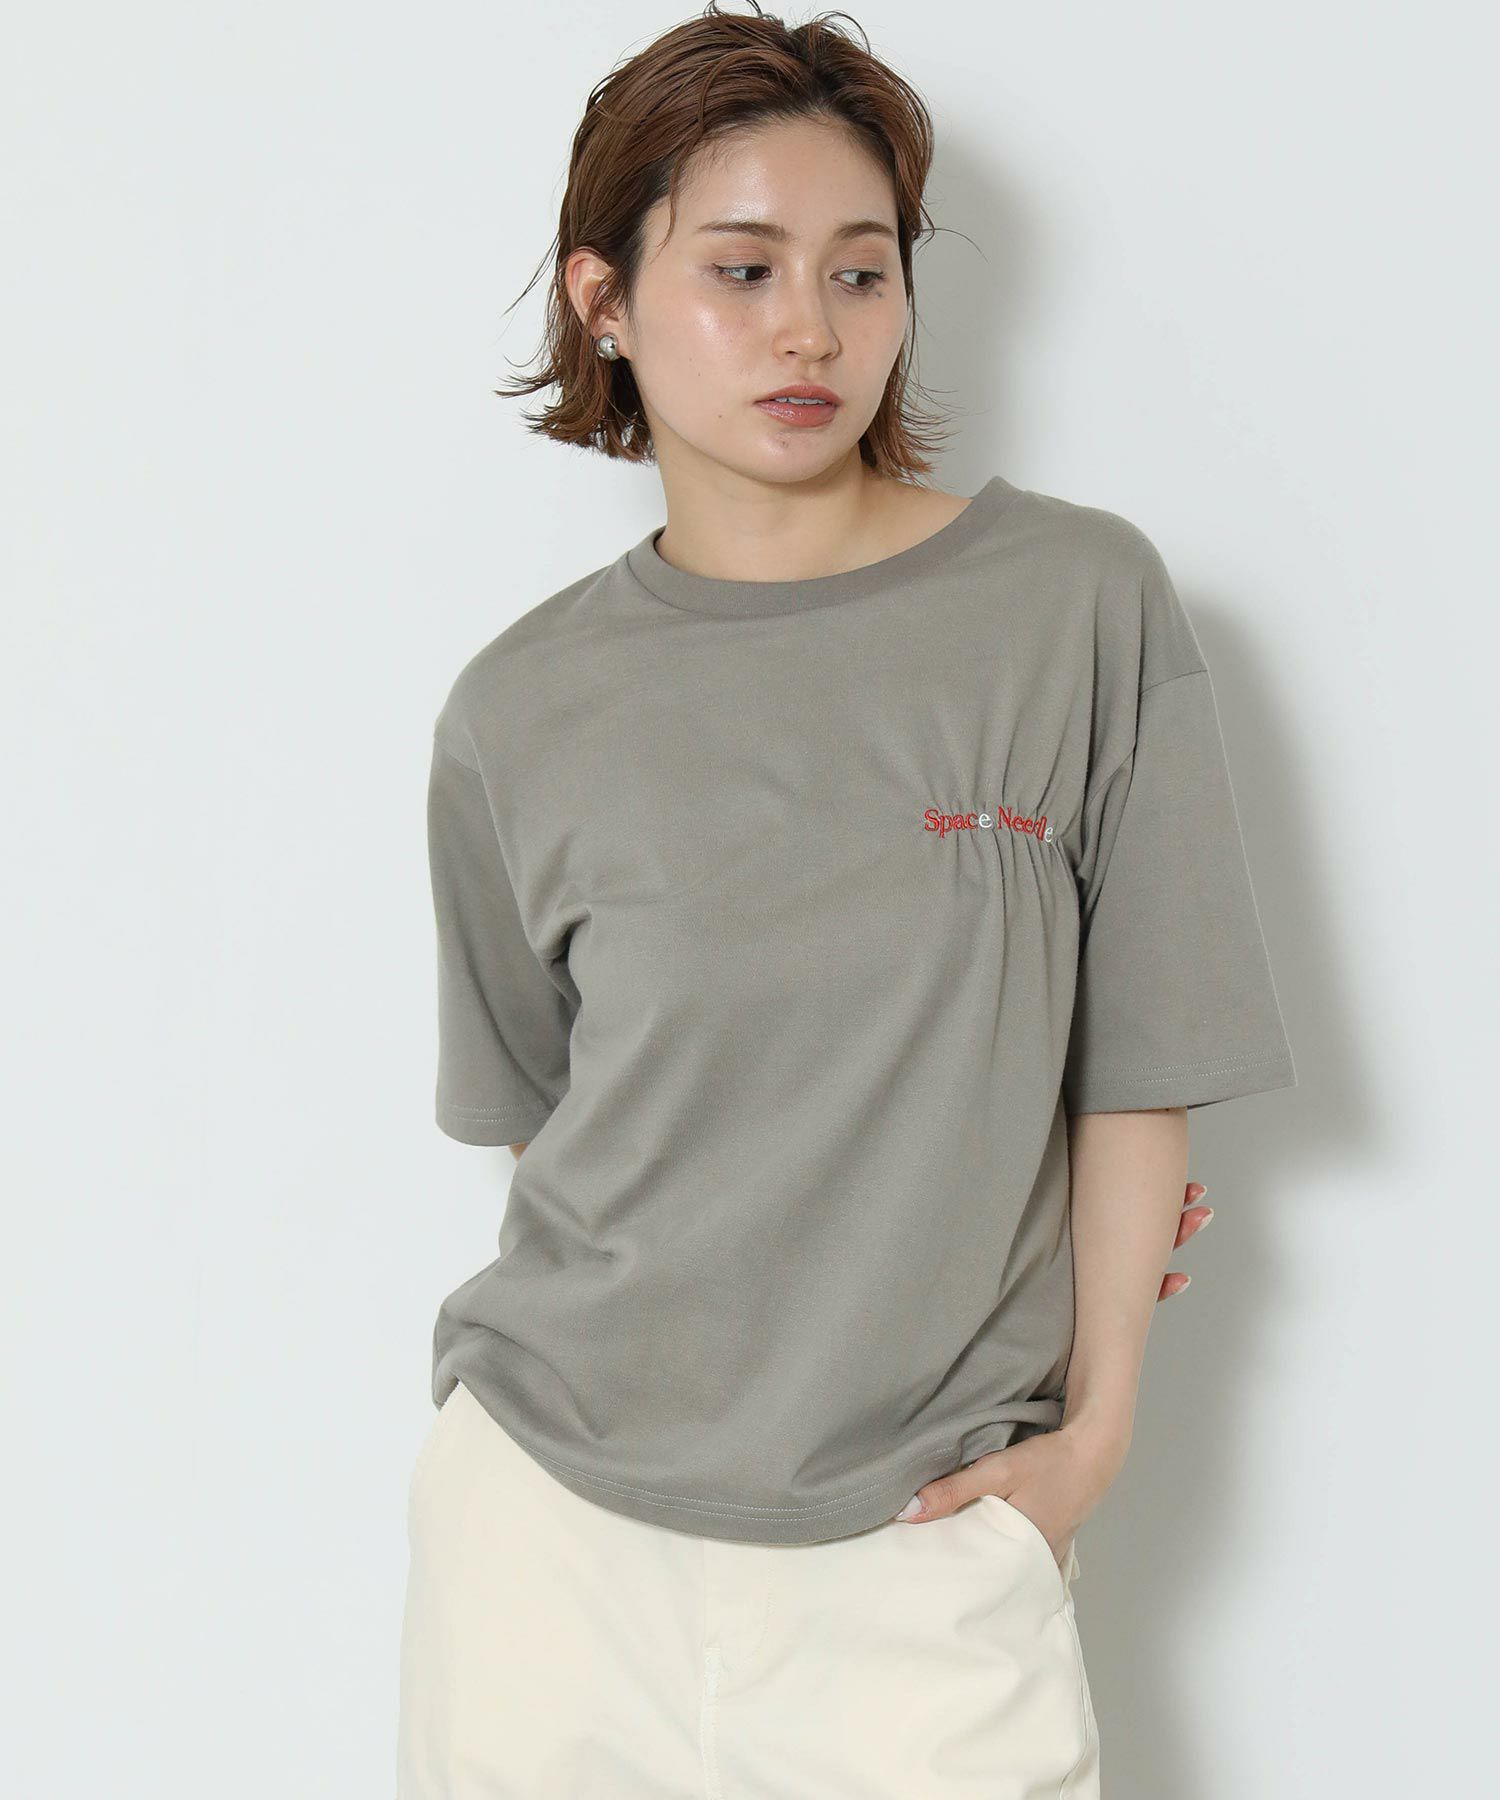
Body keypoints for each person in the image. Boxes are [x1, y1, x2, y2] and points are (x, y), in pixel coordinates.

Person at [395, 5, 1297, 1794]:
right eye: (741, 269)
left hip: (928, 1545)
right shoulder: (517, 710)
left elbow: (1143, 1067)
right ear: (603, 299)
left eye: (861, 272)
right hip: (552, 1550)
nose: (810, 328)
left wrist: (1089, 1446)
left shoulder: (1076, 607)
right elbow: (556, 1125)